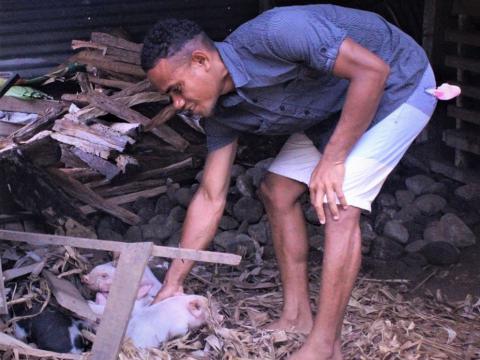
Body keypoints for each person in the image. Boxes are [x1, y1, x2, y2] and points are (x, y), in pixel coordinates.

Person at [141, 4, 437, 359]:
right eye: (169, 96)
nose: (176, 103)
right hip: (337, 107)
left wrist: (333, 159)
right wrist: (173, 282)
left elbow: (373, 72)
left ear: (202, 61)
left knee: (338, 203)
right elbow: (210, 195)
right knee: (276, 190)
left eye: (176, 88)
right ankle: (296, 316)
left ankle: (324, 346)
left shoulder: (278, 32)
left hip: (399, 83)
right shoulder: (221, 113)